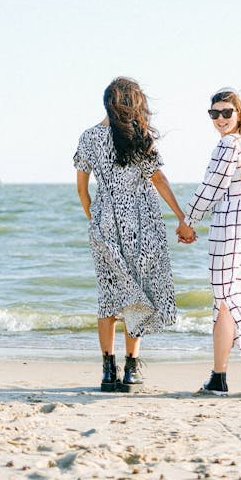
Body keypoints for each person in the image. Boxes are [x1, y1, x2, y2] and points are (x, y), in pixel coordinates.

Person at [74, 77, 195, 392]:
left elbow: (82, 190)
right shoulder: (138, 135)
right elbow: (160, 180)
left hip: (105, 222)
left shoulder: (89, 137)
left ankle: (106, 370)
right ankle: (131, 368)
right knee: (138, 290)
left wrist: (96, 219)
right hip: (142, 223)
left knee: (109, 294)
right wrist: (183, 217)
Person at [177, 89, 241, 396]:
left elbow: (210, 189)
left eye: (226, 113)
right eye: (214, 114)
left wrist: (186, 221)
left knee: (224, 301)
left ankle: (218, 378)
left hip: (231, 227)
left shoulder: (228, 144)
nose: (220, 119)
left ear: (238, 114)